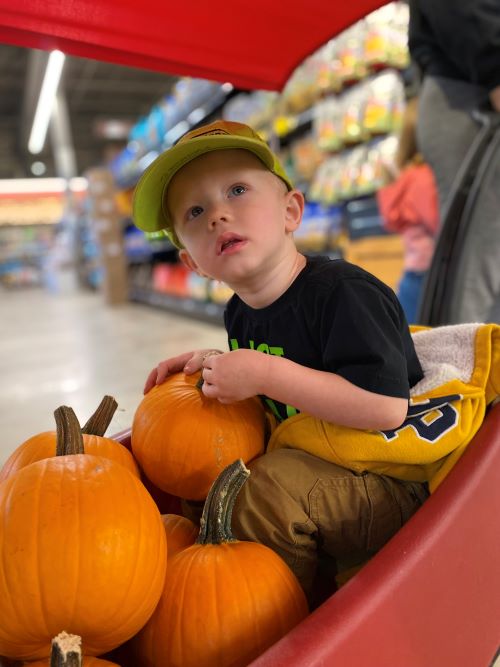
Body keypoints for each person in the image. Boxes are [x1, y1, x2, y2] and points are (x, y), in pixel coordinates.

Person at [133, 120, 431, 605]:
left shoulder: (344, 294)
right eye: (195, 210)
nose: (218, 215)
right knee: (207, 477)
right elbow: (275, 385)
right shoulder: (239, 312)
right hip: (320, 464)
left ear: (291, 211)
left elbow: (385, 408)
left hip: (389, 477)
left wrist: (265, 373)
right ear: (192, 263)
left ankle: (284, 616)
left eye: (236, 189)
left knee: (263, 496)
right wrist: (216, 363)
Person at [408, 0, 500, 323]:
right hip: (470, 95)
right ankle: (466, 370)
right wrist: (495, 67)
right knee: (478, 263)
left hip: (470, 86)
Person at [377, 96, 439, 323]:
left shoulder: (407, 176)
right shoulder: (423, 178)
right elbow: (438, 224)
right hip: (428, 273)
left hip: (414, 271)